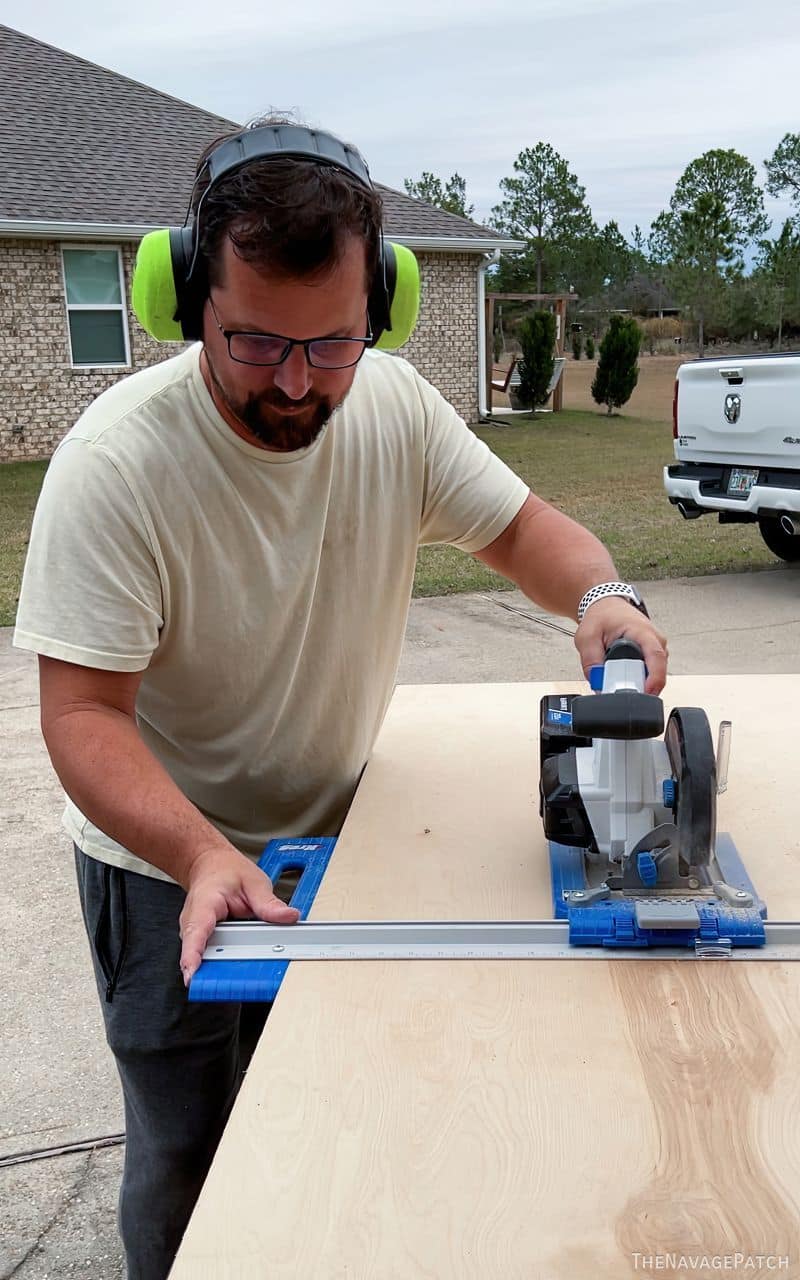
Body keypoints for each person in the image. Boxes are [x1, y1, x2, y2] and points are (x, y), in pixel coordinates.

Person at [13, 116, 668, 1279]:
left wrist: (599, 596)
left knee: (318, 1117)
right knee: (184, 1152)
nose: (297, 384)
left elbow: (521, 530)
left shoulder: (394, 407)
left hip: (336, 837)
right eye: (255, 343)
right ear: (183, 298)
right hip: (162, 859)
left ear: (382, 310)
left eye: (332, 346)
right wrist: (205, 855)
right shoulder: (116, 465)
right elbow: (82, 717)